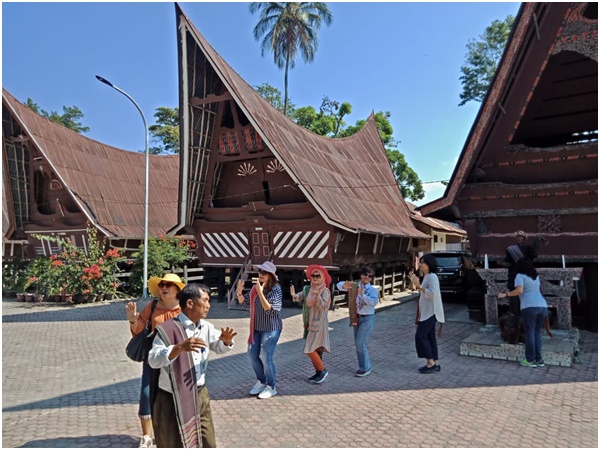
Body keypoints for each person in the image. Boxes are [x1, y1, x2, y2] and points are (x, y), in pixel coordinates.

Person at [148, 283, 237, 447]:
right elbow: (153, 360)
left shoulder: (206, 327)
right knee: (171, 443)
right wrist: (179, 348)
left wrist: (226, 342)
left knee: (207, 442)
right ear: (190, 303)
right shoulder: (167, 330)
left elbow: (218, 347)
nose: (209, 305)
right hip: (171, 397)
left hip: (199, 394)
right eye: (205, 300)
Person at [125, 273, 185, 448]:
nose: (163, 287)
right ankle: (147, 437)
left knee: (175, 396)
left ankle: (175, 432)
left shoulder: (184, 309)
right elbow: (139, 330)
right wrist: (132, 321)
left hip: (176, 360)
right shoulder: (152, 307)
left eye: (168, 284)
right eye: (161, 285)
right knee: (146, 394)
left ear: (177, 290)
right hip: (153, 358)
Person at [236, 261, 283, 399]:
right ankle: (261, 382)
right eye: (260, 273)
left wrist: (261, 292)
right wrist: (239, 292)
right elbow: (244, 303)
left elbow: (270, 310)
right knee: (251, 355)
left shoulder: (276, 289)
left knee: (266, 357)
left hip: (271, 328)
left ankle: (271, 386)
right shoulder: (255, 289)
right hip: (256, 328)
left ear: (271, 276)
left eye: (264, 273)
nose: (261, 275)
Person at [498, 259, 548, 367]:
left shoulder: (520, 276)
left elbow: (519, 291)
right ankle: (539, 360)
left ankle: (530, 360)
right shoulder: (535, 276)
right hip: (542, 306)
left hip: (529, 307)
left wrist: (505, 295)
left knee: (530, 333)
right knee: (537, 333)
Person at [291, 265, 332, 384]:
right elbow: (301, 296)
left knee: (309, 349)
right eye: (313, 276)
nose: (315, 278)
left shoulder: (325, 291)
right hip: (309, 324)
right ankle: (318, 373)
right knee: (316, 350)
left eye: (317, 276)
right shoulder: (308, 289)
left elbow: (323, 307)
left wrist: (317, 295)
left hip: (319, 325)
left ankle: (322, 370)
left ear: (323, 277)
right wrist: (295, 296)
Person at [336, 266, 379, 377]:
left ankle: (366, 367)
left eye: (370, 276)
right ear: (361, 275)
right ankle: (363, 366)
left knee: (360, 343)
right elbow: (339, 286)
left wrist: (362, 295)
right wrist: (344, 285)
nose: (367, 277)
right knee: (358, 344)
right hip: (356, 317)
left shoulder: (373, 290)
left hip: (367, 318)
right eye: (365, 274)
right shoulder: (355, 286)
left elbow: (374, 302)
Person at [409, 254, 445, 374]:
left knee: (421, 336)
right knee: (429, 337)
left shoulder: (432, 277)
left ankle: (430, 363)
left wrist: (419, 286)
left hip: (432, 312)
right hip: (426, 312)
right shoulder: (427, 277)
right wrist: (417, 284)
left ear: (429, 264)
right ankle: (435, 362)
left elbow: (432, 294)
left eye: (422, 262)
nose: (420, 264)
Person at [503, 231, 548, 315]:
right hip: (515, 274)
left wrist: (537, 240)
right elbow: (507, 261)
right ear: (515, 238)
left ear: (524, 239)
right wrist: (504, 264)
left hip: (526, 275)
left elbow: (534, 254)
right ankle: (514, 314)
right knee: (514, 296)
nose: (519, 238)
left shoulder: (528, 248)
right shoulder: (510, 249)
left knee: (528, 294)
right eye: (517, 237)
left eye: (521, 237)